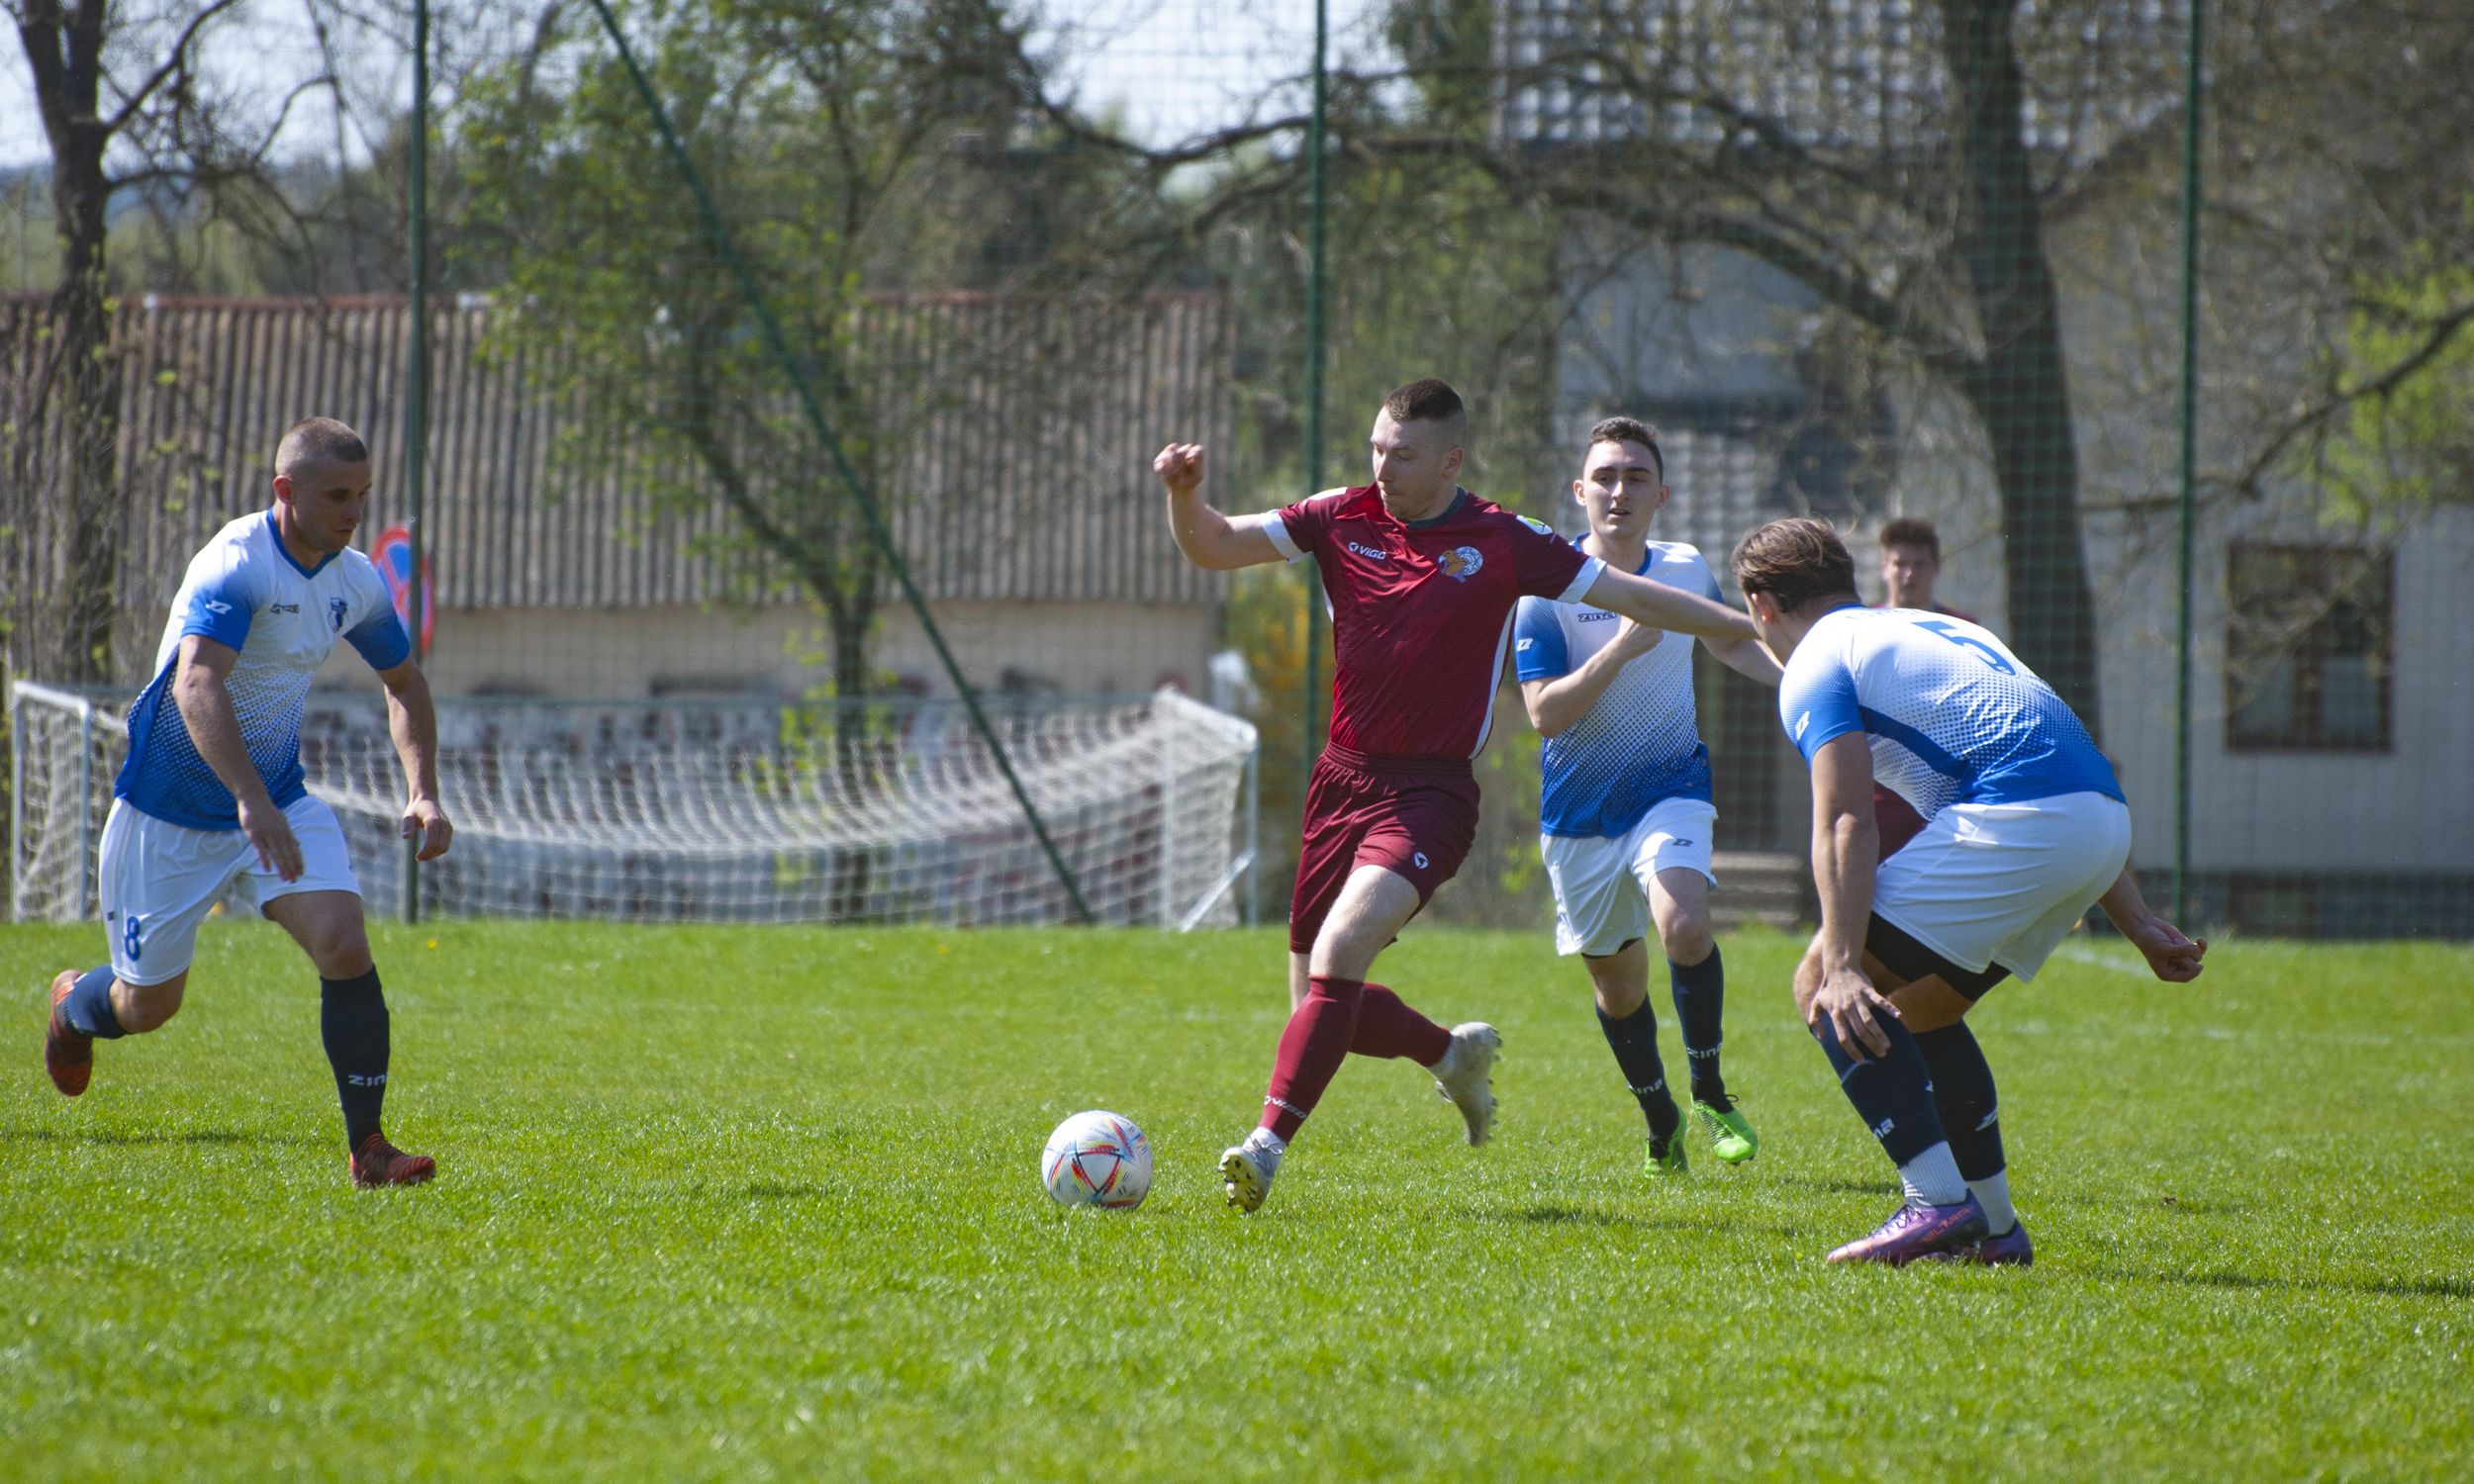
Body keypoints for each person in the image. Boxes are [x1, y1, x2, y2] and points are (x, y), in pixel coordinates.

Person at [1154, 379, 1760, 1212]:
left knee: (1338, 960)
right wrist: (1185, 496)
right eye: (1376, 449)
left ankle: (1264, 1149)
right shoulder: (1341, 514)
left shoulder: (1505, 539)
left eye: (1402, 455)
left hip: (1428, 794)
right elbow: (1216, 546)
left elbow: (1627, 595)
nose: (1383, 467)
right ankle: (1449, 1055)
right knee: (1321, 1006)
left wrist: (1747, 627)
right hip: (1338, 783)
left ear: (1450, 459)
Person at [1731, 517, 2205, 1265]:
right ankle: (1994, 1226)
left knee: (1822, 982)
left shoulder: (1816, 662)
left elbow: (1846, 815)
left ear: (1761, 606)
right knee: (1926, 1011)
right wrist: (2137, 919)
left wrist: (1846, 960)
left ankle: (1934, 1203)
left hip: (2026, 819)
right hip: (2103, 820)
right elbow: (2055, 758)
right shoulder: (1921, 628)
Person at [41, 417, 454, 1188]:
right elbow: (198, 683)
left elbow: (404, 684)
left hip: (276, 799)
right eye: (336, 494)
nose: (352, 511)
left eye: (362, 494)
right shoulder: (237, 565)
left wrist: (423, 791)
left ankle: (369, 1151)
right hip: (169, 811)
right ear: (285, 491)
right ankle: (76, 1005)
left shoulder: (354, 578)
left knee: (344, 943)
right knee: (147, 1006)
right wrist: (246, 799)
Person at [1512, 417, 1781, 1180]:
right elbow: (1543, 714)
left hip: (1670, 787)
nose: (1619, 490)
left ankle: (1709, 1092)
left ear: (1661, 493)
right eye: (1605, 476)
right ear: (1579, 492)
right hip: (1580, 818)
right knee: (1618, 987)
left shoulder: (1686, 568)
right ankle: (1660, 1116)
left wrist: (1803, 679)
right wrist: (1625, 647)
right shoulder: (1546, 589)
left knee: (1686, 927)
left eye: (1635, 477)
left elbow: (1727, 639)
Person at [1871, 517, 1976, 858]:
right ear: (1884, 567)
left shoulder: (1963, 630)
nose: (1909, 575)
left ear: (1936, 569)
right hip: (1880, 790)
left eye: (1919, 565)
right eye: (1900, 564)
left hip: (1945, 791)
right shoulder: (1861, 630)